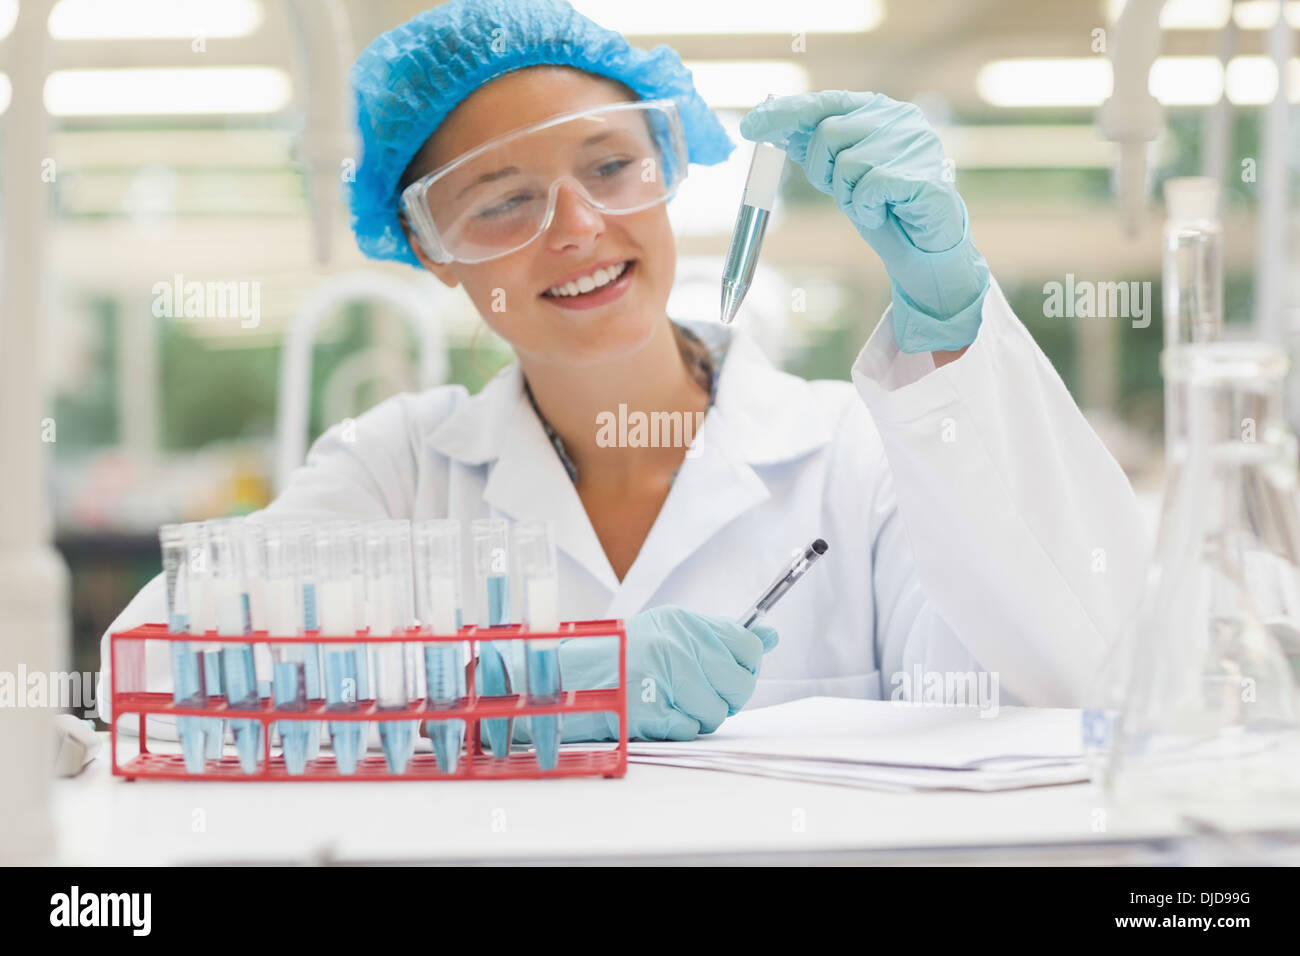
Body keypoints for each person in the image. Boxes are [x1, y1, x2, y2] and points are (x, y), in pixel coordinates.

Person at [98, 0, 1147, 743]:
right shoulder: (398, 469)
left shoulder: (856, 451)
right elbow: (145, 668)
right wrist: (537, 680)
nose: (579, 226)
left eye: (609, 167)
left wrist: (953, 326)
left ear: (667, 169)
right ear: (431, 248)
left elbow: (1070, 681)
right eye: (502, 197)